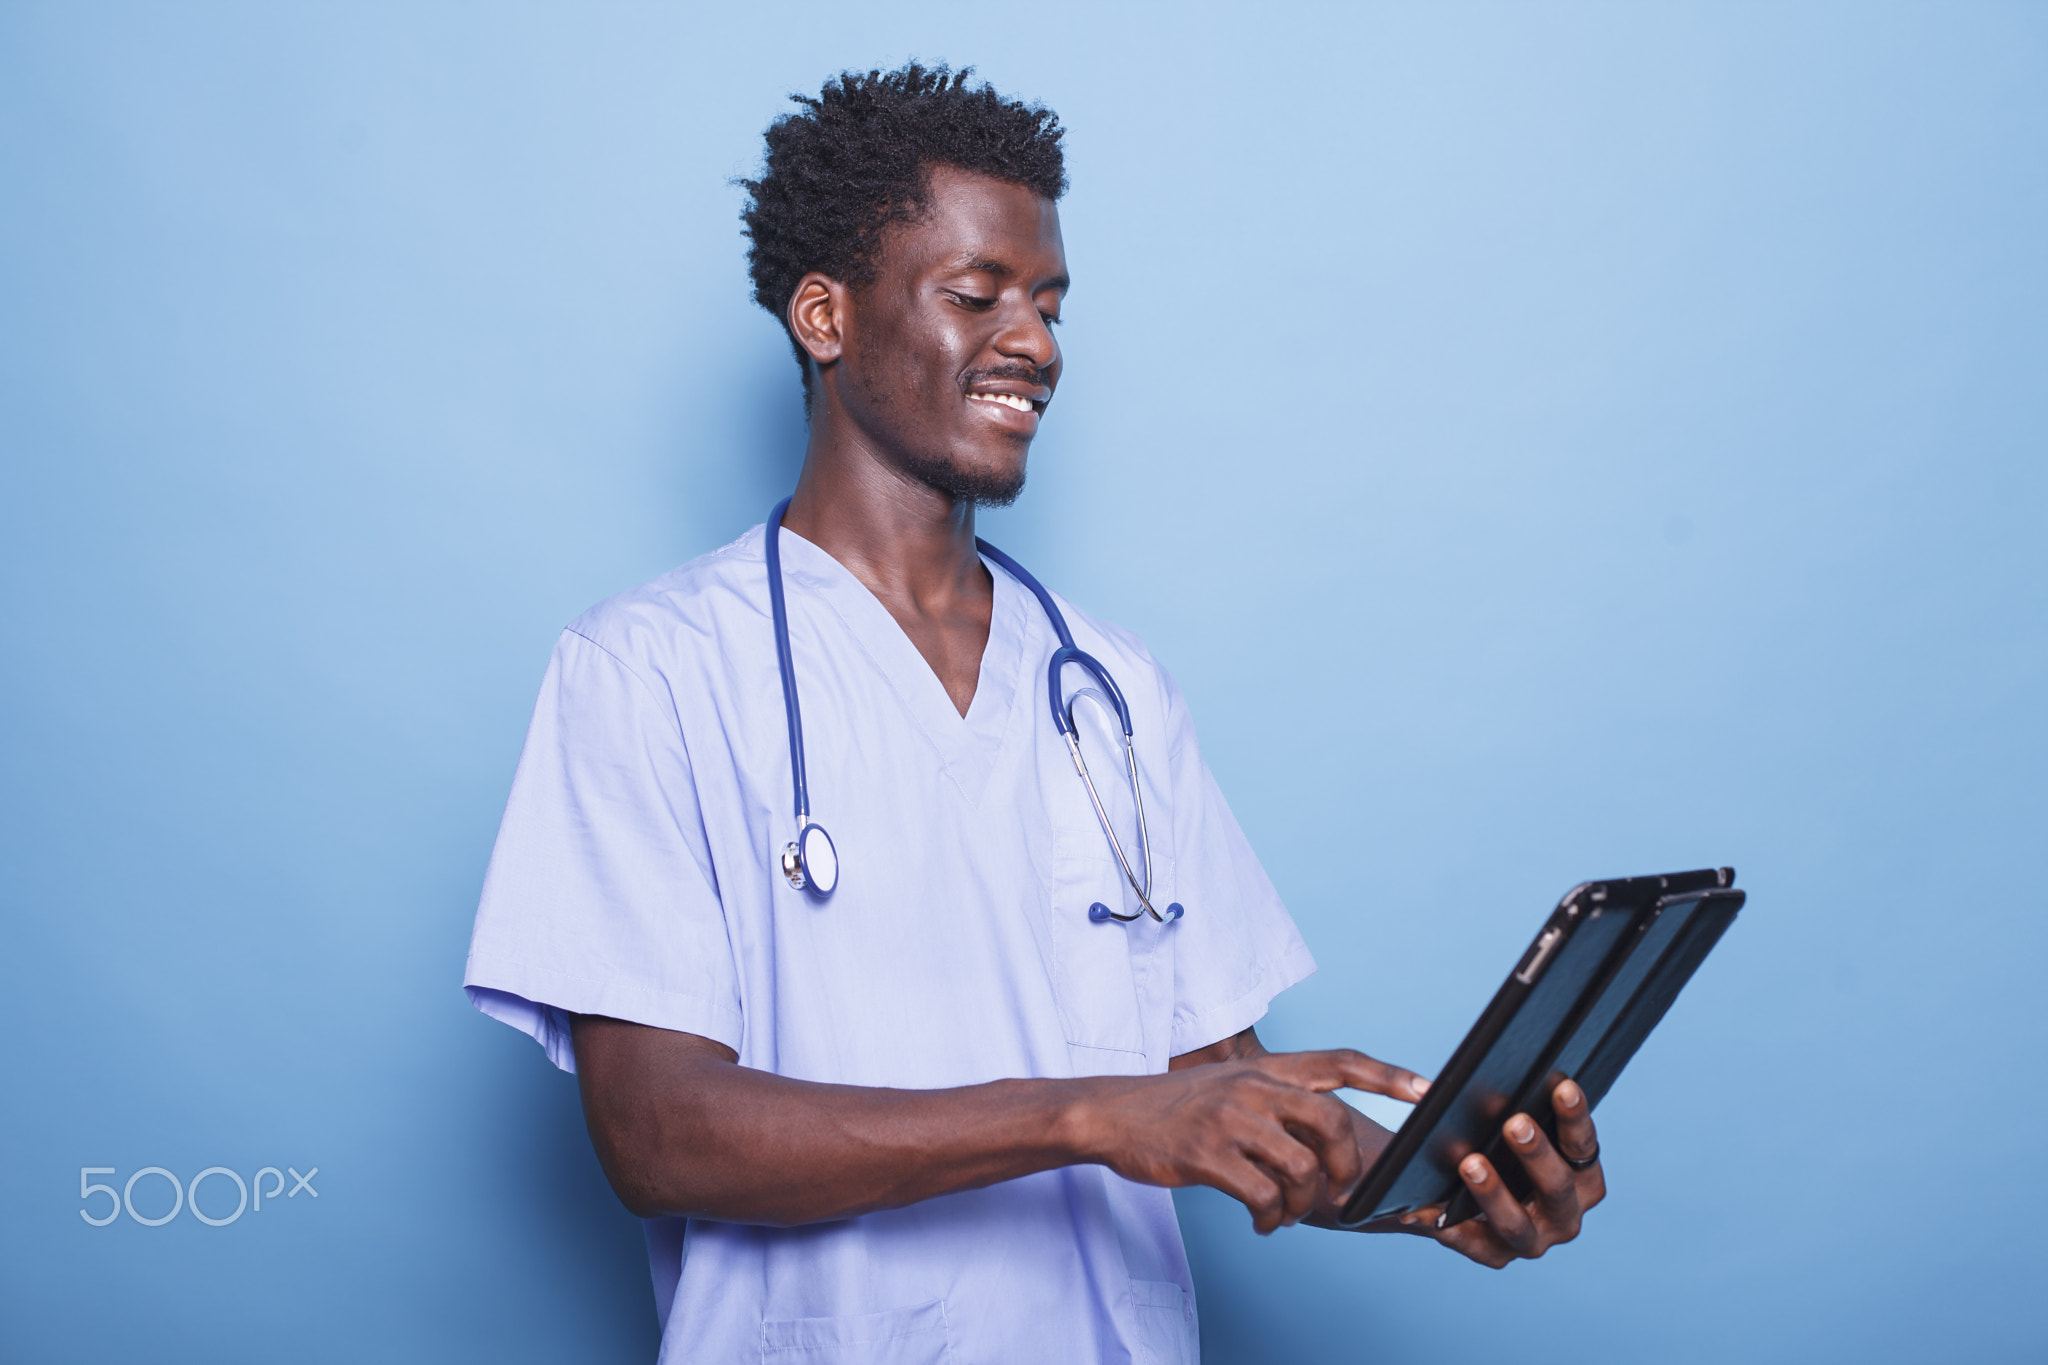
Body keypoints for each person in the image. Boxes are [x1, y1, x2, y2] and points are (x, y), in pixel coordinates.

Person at [463, 63, 1605, 1364]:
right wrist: (1079, 1114)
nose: (1038, 344)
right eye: (978, 295)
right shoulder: (647, 670)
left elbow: (1210, 1092)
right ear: (825, 316)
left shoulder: (1110, 687)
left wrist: (1453, 1175)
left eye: (1051, 305)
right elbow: (658, 1133)